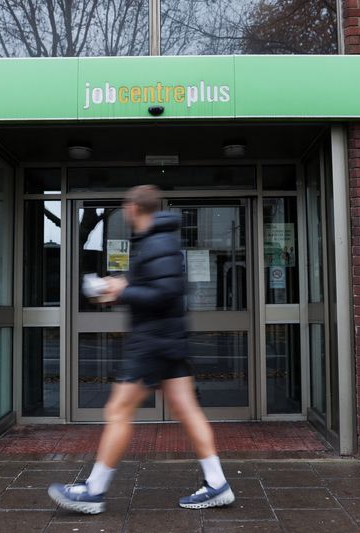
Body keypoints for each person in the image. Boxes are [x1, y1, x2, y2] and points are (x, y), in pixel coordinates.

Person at [48, 184, 234, 514]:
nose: (125, 211)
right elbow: (158, 290)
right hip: (166, 340)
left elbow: (166, 292)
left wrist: (122, 290)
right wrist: (120, 290)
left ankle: (94, 491)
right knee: (187, 410)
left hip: (152, 343)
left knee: (118, 410)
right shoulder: (157, 240)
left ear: (135, 208)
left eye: (126, 206)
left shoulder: (157, 242)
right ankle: (217, 483)